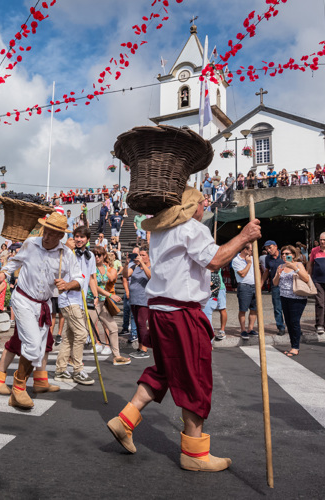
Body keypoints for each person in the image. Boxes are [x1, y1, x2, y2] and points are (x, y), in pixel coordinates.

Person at [105, 187, 262, 473]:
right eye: (203, 202)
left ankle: (125, 420)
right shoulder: (193, 228)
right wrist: (244, 237)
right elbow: (214, 261)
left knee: (165, 370)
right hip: (181, 312)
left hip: (161, 311)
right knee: (195, 377)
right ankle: (194, 452)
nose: (206, 205)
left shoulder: (162, 232)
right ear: (194, 207)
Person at [0, 213, 82, 409]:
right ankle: (19, 388)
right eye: (46, 231)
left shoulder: (66, 255)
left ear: (61, 236)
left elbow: (79, 279)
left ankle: (34, 382)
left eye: (52, 234)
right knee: (31, 344)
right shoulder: (30, 243)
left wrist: (67, 285)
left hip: (43, 305)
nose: (47, 236)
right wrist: (2, 274)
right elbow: (14, 263)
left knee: (38, 348)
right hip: (22, 300)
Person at [53, 225, 96, 385]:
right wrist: (66, 249)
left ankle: (60, 370)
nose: (78, 239)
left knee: (69, 337)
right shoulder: (65, 253)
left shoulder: (90, 256)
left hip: (81, 299)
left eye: (82, 237)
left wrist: (95, 295)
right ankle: (78, 370)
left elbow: (91, 277)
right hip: (69, 299)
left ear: (87, 239)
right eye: (76, 236)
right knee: (82, 334)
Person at [89, 246, 130, 365]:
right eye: (94, 255)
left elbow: (111, 278)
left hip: (102, 302)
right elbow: (94, 286)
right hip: (92, 302)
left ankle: (116, 356)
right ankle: (69, 357)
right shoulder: (91, 268)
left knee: (113, 328)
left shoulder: (104, 268)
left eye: (99, 255)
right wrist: (110, 295)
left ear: (104, 256)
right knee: (83, 331)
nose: (96, 257)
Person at [273, 245, 311, 357]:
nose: (284, 256)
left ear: (293, 255)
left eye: (287, 254)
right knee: (289, 322)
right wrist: (278, 275)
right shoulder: (280, 266)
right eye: (283, 254)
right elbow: (275, 283)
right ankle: (292, 345)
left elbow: (306, 278)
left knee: (294, 322)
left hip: (297, 298)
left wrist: (295, 268)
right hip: (284, 297)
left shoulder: (298, 264)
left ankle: (295, 347)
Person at [124, 246, 150, 358]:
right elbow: (125, 275)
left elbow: (151, 277)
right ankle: (140, 347)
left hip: (144, 299)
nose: (141, 257)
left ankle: (144, 348)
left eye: (143, 255)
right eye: (140, 255)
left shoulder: (150, 266)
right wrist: (126, 264)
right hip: (134, 299)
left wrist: (142, 264)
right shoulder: (135, 267)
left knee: (141, 323)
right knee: (138, 324)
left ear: (149, 257)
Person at [260, 240, 286, 335]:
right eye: (267, 249)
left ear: (276, 246)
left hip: (287, 285)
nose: (269, 250)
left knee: (289, 307)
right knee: (277, 307)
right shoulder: (268, 258)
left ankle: (294, 327)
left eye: (270, 247)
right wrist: (261, 284)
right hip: (275, 285)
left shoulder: (284, 255)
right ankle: (281, 327)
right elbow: (266, 271)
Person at [232, 243, 258, 340]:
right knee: (243, 309)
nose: (252, 252)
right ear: (245, 250)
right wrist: (249, 263)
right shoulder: (236, 260)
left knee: (254, 309)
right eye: (251, 250)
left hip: (254, 285)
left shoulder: (253, 258)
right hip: (244, 286)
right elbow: (242, 274)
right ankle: (243, 330)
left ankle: (250, 329)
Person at [202, 265, 228, 341]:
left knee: (222, 309)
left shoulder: (214, 272)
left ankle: (222, 331)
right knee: (207, 315)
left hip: (219, 289)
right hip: (211, 294)